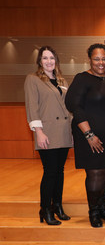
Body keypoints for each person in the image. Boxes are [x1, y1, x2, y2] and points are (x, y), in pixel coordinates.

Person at [65, 43, 105, 228]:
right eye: (96, 59)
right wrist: (89, 134)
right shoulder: (82, 79)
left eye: (104, 59)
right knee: (96, 173)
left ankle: (102, 208)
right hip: (90, 136)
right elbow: (75, 107)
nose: (101, 62)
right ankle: (93, 212)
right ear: (90, 60)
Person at [24, 46, 73, 225]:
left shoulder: (61, 80)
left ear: (56, 61)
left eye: (52, 58)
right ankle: (45, 208)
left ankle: (57, 206)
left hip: (63, 132)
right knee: (50, 172)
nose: (49, 61)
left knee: (59, 172)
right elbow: (32, 106)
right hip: (47, 132)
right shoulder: (33, 79)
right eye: (45, 58)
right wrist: (39, 132)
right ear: (39, 61)